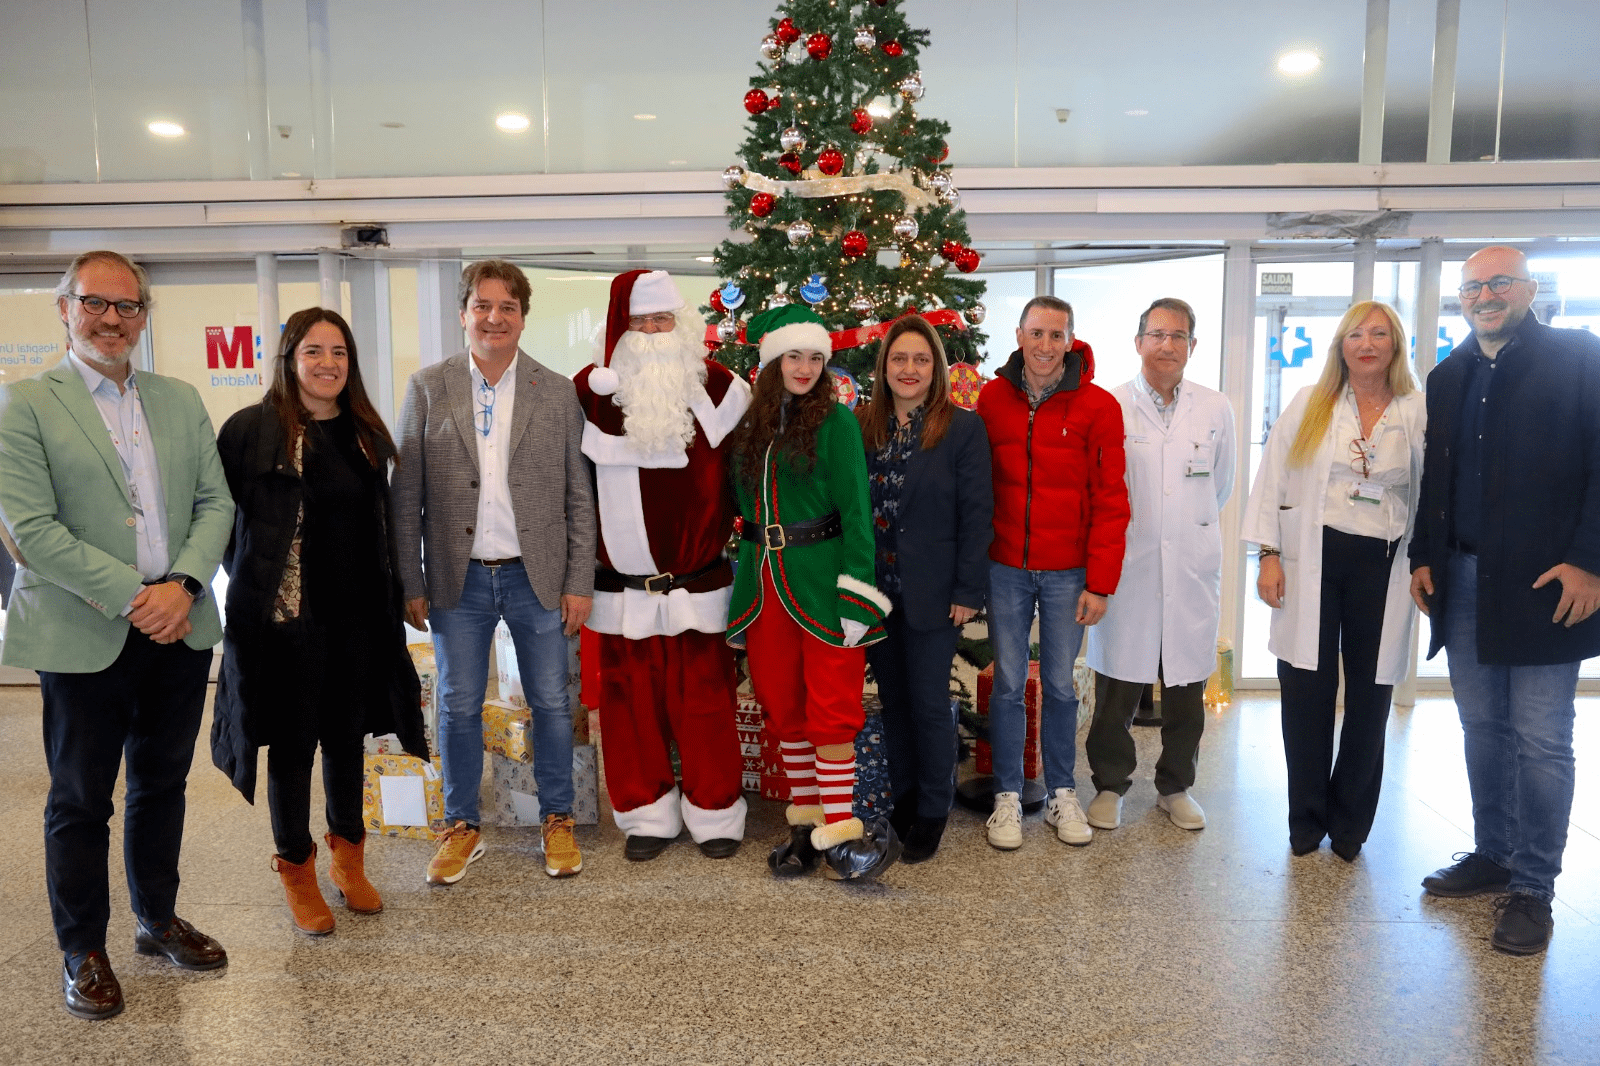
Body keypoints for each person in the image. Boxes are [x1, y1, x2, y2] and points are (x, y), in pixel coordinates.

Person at [0, 251, 235, 1020]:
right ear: (64, 309)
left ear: (144, 315)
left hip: (179, 625)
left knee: (163, 785)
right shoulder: (26, 403)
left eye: (127, 306)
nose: (112, 319)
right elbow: (31, 530)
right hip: (87, 626)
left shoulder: (178, 398)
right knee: (79, 799)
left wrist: (186, 587)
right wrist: (140, 595)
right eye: (95, 303)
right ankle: (82, 949)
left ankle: (156, 918)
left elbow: (215, 506)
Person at [211, 308, 426, 936]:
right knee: (292, 745)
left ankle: (348, 860)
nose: (327, 363)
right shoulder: (252, 431)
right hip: (288, 624)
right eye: (313, 351)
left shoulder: (364, 433)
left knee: (346, 740)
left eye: (338, 352)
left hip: (360, 619)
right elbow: (229, 529)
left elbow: (380, 524)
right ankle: (296, 868)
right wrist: (266, 592)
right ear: (289, 359)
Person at [1410, 245, 1600, 955]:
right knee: (1482, 728)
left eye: (1499, 282)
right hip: (1462, 580)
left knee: (1543, 738)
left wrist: (1590, 562)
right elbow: (1439, 476)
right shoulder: (1449, 374)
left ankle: (1533, 888)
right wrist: (1424, 557)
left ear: (1528, 289)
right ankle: (1493, 853)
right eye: (1473, 286)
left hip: (1550, 584)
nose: (1485, 295)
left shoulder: (1581, 358)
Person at [392, 259, 596, 885]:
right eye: (483, 305)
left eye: (508, 307)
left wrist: (578, 581)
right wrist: (412, 582)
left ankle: (556, 818)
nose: (495, 317)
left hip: (538, 573)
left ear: (522, 317)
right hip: (460, 577)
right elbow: (407, 498)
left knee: (551, 703)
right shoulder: (428, 386)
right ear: (464, 313)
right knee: (455, 704)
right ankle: (461, 826)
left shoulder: (555, 391)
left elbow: (577, 494)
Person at [573, 270, 751, 861]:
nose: (652, 332)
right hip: (619, 591)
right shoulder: (588, 394)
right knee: (629, 708)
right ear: (622, 330)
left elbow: (750, 479)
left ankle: (716, 811)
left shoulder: (723, 390)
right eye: (641, 322)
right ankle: (646, 813)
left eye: (662, 320)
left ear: (682, 324)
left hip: (699, 585)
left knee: (705, 703)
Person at [1242, 301, 1425, 863]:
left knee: (1372, 696)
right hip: (1311, 560)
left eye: (1378, 333)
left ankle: (1350, 826)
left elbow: (1432, 491)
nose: (1365, 343)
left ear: (1395, 344)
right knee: (1306, 692)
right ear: (1340, 346)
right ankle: (1306, 820)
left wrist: (1427, 563)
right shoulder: (1311, 402)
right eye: (1354, 334)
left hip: (1385, 565)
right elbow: (1272, 477)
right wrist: (1268, 555)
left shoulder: (1418, 410)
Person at [726, 304, 898, 881]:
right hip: (763, 587)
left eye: (816, 357)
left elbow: (857, 512)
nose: (805, 367)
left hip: (824, 587)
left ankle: (842, 832)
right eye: (795, 356)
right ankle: (804, 826)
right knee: (784, 708)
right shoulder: (751, 428)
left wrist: (857, 595)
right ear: (774, 360)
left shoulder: (839, 423)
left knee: (831, 711)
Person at [975, 295, 1129, 850]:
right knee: (1010, 686)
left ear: (1071, 340)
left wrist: (1100, 581)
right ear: (1018, 336)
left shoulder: (1098, 406)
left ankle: (1063, 792)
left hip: (1070, 573)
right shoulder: (990, 399)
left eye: (1056, 335)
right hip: (1006, 567)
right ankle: (1009, 797)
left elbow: (1112, 500)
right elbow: (975, 489)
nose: (1045, 346)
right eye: (1036, 333)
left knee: (1062, 687)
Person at [1084, 298, 1235, 833]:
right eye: (1157, 335)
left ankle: (1175, 786)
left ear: (1192, 346)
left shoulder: (1216, 407)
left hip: (1190, 564)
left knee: (1186, 686)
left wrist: (1181, 532)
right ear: (1138, 342)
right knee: (1117, 683)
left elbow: (1220, 485)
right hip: (1129, 562)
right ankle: (1109, 785)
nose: (1167, 345)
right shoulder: (1110, 404)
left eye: (1178, 336)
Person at [856, 314, 992, 864]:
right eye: (898, 359)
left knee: (930, 702)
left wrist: (967, 588)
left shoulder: (962, 428)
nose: (908, 370)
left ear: (935, 367)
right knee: (892, 704)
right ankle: (904, 798)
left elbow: (977, 515)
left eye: (920, 360)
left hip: (936, 592)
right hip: (875, 593)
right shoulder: (862, 424)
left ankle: (934, 808)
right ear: (883, 366)